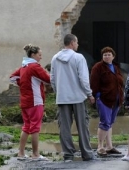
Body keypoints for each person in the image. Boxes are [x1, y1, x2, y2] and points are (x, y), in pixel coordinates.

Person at [50, 34, 95, 162]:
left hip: (62, 97)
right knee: (82, 126)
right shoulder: (78, 57)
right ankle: (86, 153)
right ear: (72, 43)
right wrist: (89, 94)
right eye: (77, 42)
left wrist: (58, 91)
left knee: (64, 127)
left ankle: (68, 154)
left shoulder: (55, 58)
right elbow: (84, 79)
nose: (78, 44)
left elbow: (52, 79)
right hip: (78, 97)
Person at [10, 44, 50, 161]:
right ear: (33, 55)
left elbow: (12, 77)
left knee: (26, 127)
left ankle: (21, 153)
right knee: (35, 128)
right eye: (39, 55)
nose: (41, 57)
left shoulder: (24, 67)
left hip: (25, 101)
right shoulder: (34, 67)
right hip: (35, 101)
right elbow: (48, 79)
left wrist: (22, 83)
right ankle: (35, 154)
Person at [90, 47, 124, 156]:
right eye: (105, 55)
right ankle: (100, 146)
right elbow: (93, 83)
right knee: (104, 122)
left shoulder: (115, 67)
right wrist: (97, 96)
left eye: (109, 54)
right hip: (104, 99)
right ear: (102, 57)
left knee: (110, 123)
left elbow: (120, 82)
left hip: (116, 99)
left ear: (113, 56)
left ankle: (109, 146)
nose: (107, 56)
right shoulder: (98, 67)